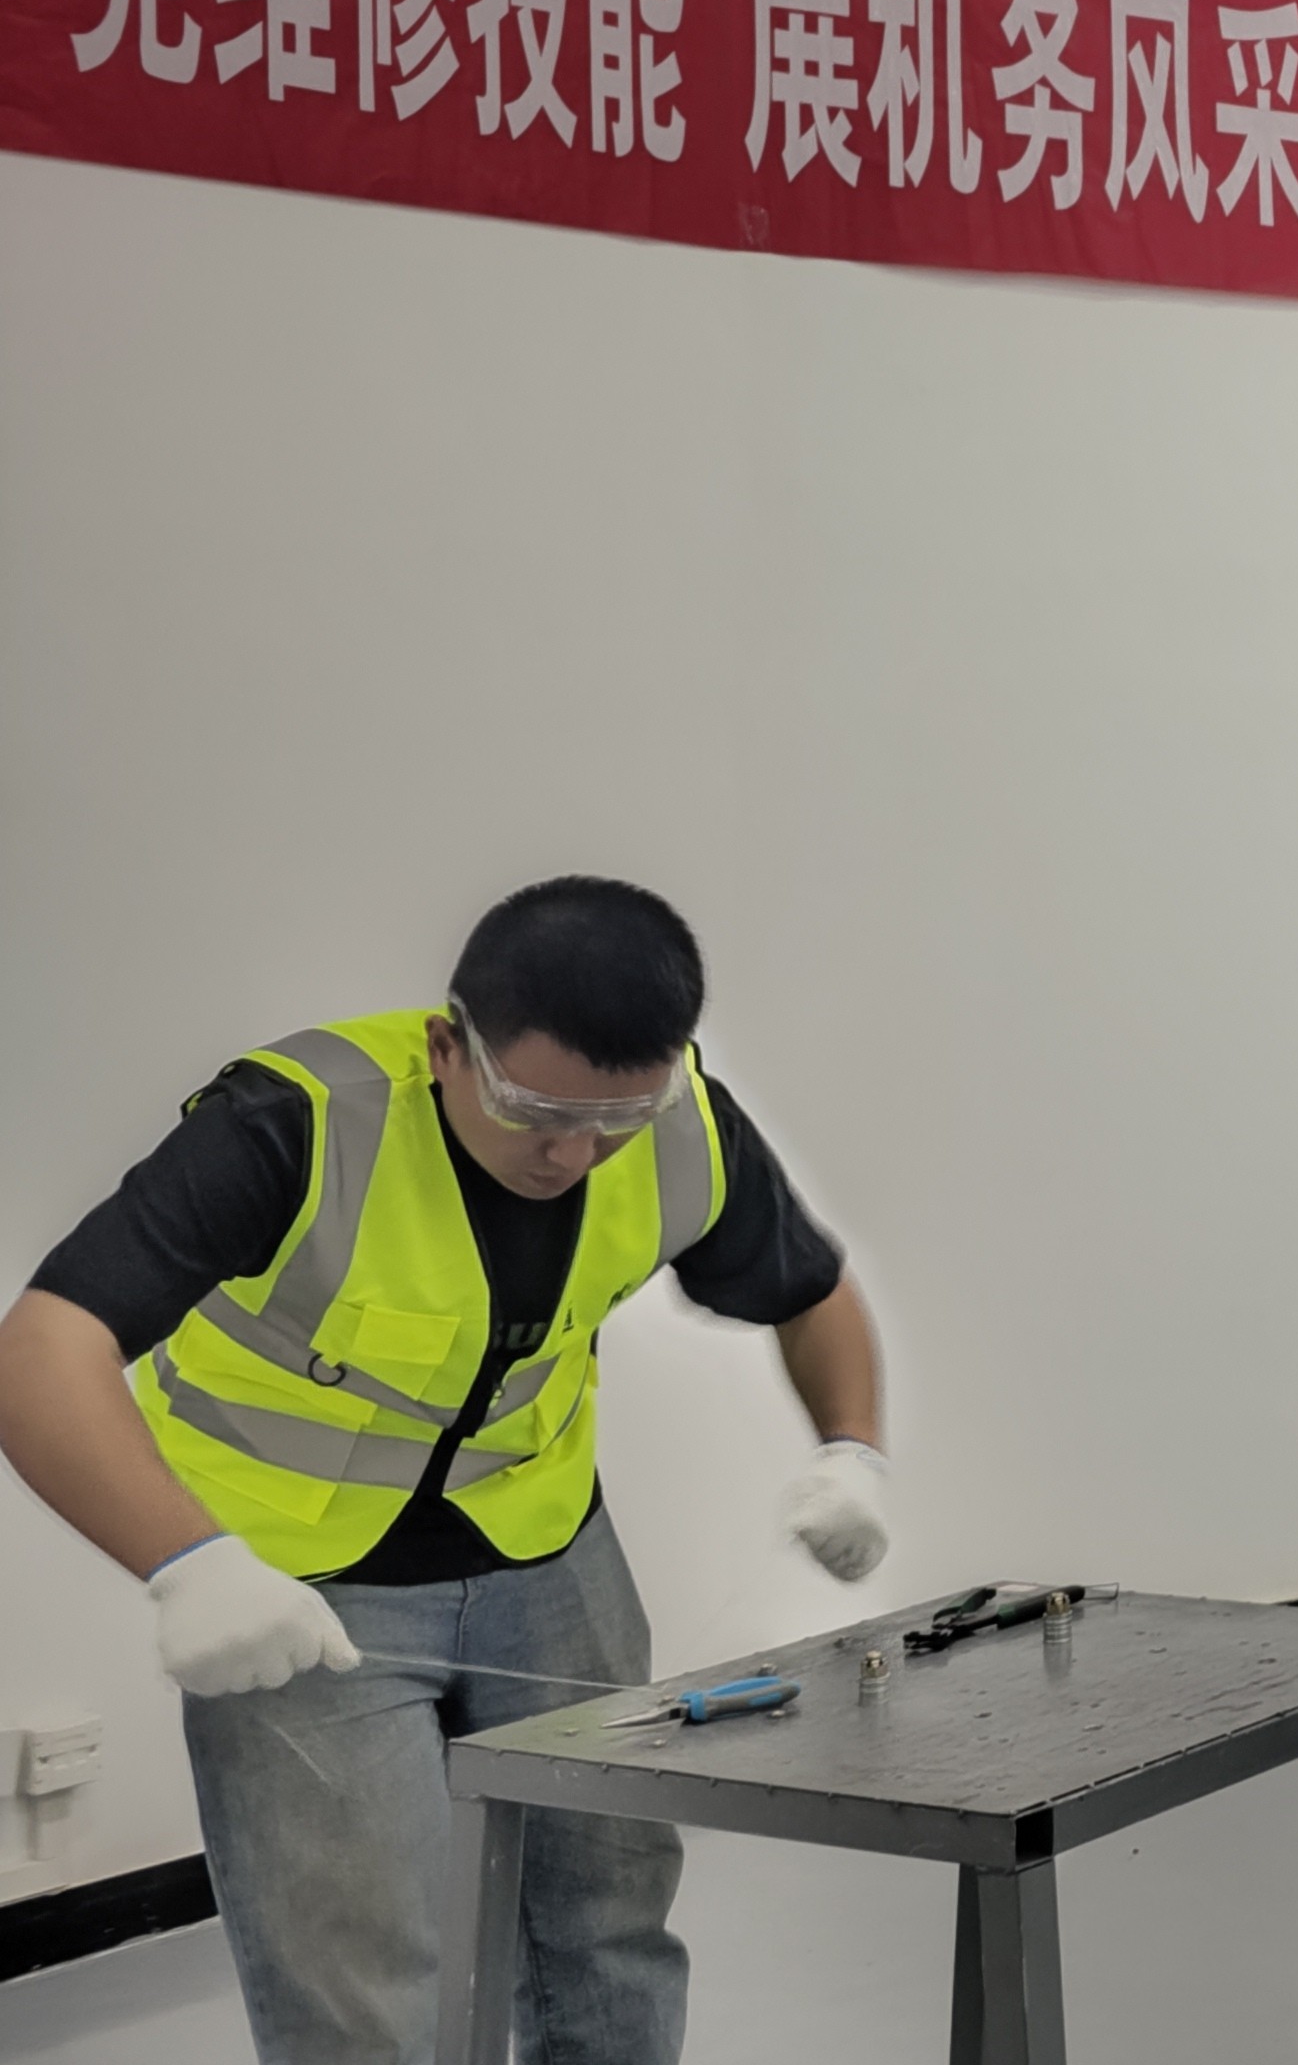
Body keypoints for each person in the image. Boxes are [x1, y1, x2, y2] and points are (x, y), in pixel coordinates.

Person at [0, 878, 891, 2065]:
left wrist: (852, 1449)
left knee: (609, 1920)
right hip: (295, 1585)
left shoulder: (683, 1123)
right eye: (535, 1110)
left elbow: (811, 1288)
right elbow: (41, 1347)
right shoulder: (298, 1125)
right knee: (360, 1978)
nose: (572, 1152)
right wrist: (188, 1563)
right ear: (447, 1047)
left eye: (615, 1118)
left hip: (547, 1547)